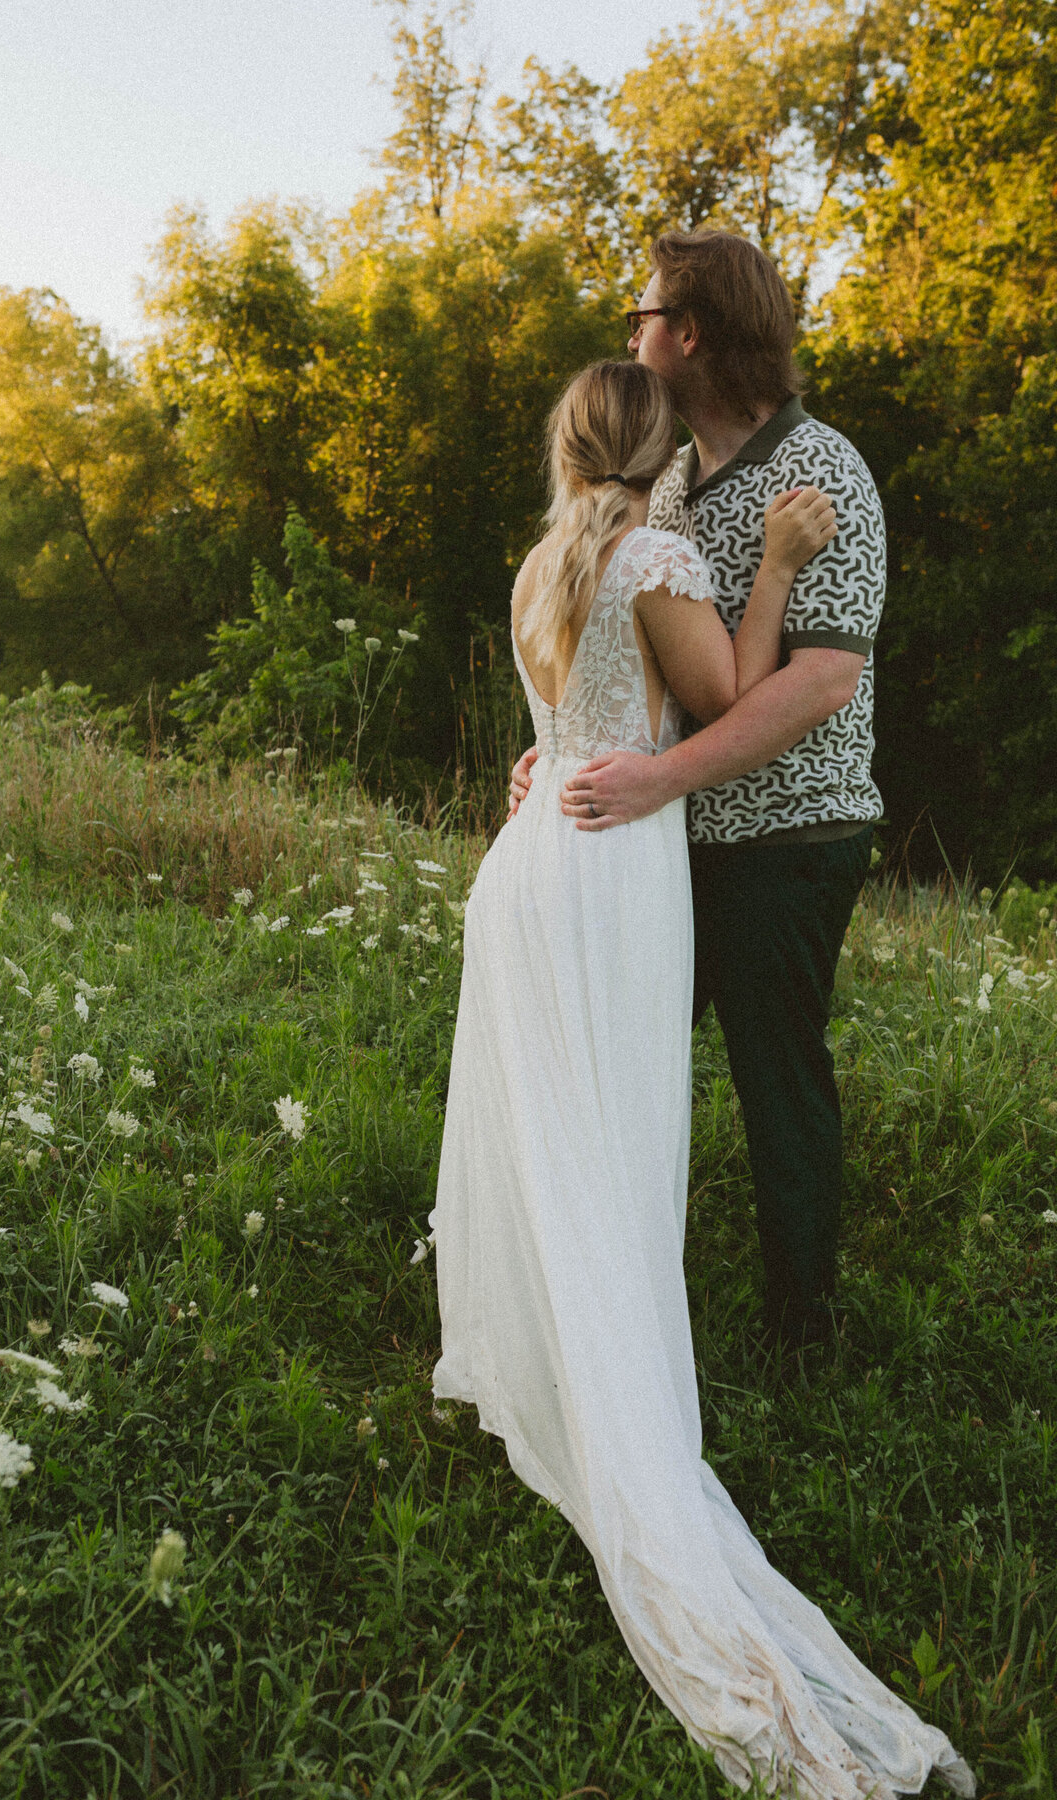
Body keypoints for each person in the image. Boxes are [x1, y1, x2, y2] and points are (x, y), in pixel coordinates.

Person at [430, 357, 974, 1798]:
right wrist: (779, 566)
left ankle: (544, 1333)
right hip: (615, 868)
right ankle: (617, 1382)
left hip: (540, 858)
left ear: (565, 444)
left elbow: (569, 724)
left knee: (559, 1127)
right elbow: (727, 690)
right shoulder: (660, 545)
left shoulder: (550, 555)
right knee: (617, 1131)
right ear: (655, 442)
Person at [512, 229, 883, 1350]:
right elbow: (637, 645)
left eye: (643, 315)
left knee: (777, 1076)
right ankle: (608, 1295)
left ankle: (801, 1330)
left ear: (692, 333)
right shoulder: (669, 479)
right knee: (622, 1061)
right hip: (659, 839)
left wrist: (656, 775)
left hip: (787, 836)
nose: (629, 332)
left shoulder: (824, 472)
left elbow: (820, 681)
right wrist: (568, 750)